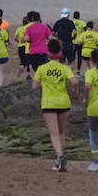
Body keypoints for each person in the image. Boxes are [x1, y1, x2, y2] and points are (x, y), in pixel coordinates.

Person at [33, 39, 78, 172]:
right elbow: (75, 81)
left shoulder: (42, 68)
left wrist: (46, 83)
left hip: (48, 102)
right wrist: (75, 92)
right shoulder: (64, 68)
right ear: (60, 53)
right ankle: (59, 160)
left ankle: (60, 156)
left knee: (54, 133)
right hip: (63, 101)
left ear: (48, 53)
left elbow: (34, 86)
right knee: (62, 132)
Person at [71, 11, 86, 75]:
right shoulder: (82, 23)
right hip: (80, 42)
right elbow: (86, 31)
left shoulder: (71, 22)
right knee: (79, 57)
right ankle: (78, 72)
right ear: (79, 16)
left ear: (73, 16)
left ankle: (71, 72)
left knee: (72, 58)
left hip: (72, 42)